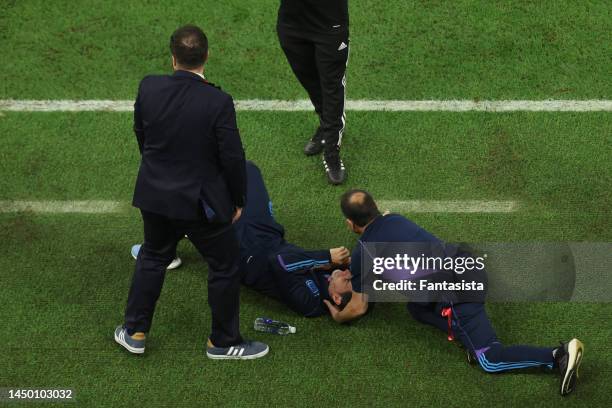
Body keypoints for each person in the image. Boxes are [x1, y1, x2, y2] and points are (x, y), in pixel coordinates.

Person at [324, 189, 585, 396]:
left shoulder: (363, 253)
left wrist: (337, 316)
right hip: (464, 262)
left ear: (349, 223)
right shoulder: (395, 218)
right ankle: (467, 334)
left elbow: (358, 307)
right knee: (417, 308)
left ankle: (557, 355)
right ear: (376, 207)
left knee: (489, 360)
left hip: (455, 290)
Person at [115, 25, 268, 360]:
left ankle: (135, 331)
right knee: (225, 265)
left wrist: (159, 171)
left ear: (173, 58)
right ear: (206, 56)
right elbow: (231, 156)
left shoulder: (149, 87)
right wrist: (237, 201)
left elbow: (141, 133)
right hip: (202, 204)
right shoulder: (218, 101)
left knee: (154, 255)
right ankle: (223, 342)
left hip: (155, 195)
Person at [131, 161, 353, 316]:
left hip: (244, 254)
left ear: (335, 298)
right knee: (247, 171)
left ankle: (161, 250)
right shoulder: (333, 279)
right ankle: (184, 231)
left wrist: (325, 256)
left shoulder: (311, 303)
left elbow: (279, 262)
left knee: (194, 195)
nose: (347, 274)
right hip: (267, 235)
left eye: (347, 280)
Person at [277, 0, 350, 185]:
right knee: (310, 82)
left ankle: (332, 153)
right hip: (292, 24)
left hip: (329, 26)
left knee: (332, 88)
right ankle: (326, 126)